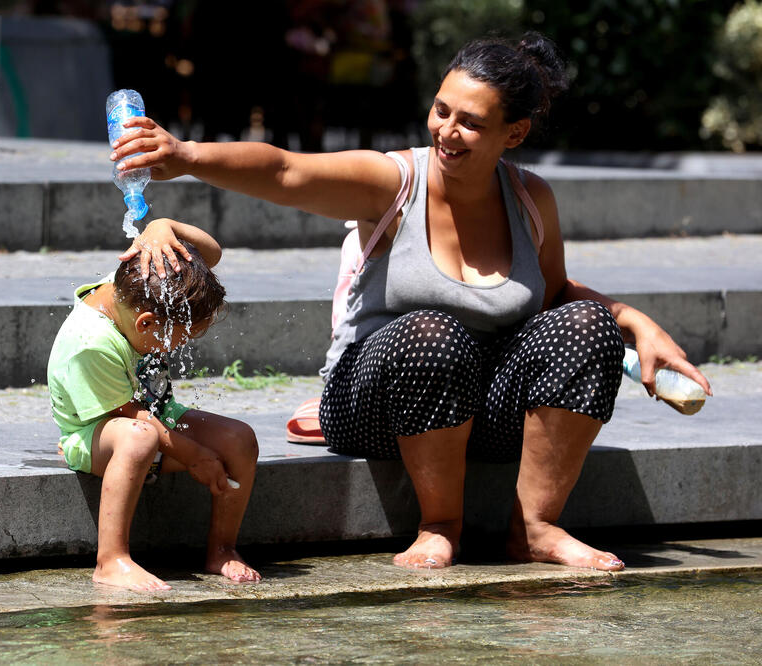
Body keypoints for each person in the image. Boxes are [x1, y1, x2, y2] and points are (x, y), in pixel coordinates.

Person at [106, 34, 713, 572]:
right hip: (374, 402)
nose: (447, 131)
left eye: (470, 122)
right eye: (441, 110)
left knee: (586, 326)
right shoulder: (396, 182)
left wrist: (634, 321)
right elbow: (287, 169)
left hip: (480, 406)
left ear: (515, 133)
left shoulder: (532, 200)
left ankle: (537, 528)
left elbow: (555, 298)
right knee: (432, 331)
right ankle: (439, 524)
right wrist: (184, 157)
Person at [47, 217, 261, 591]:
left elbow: (210, 254)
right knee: (140, 438)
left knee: (239, 439)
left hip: (154, 417)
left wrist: (164, 226)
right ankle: (111, 560)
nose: (177, 349)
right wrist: (195, 454)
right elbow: (129, 416)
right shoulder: (91, 341)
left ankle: (222, 549)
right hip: (98, 431)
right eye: (175, 341)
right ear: (146, 324)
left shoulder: (140, 294)